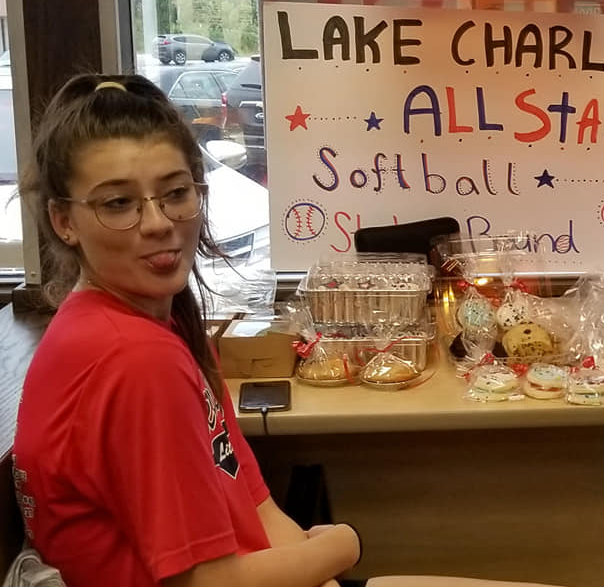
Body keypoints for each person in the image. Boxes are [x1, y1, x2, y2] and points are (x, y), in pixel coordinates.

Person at [11, 75, 557, 587]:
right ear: (63, 221)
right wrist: (345, 545)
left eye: (175, 193)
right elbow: (206, 582)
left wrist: (317, 569)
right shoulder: (133, 358)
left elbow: (253, 501)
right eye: (118, 203)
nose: (157, 222)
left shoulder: (156, 323)